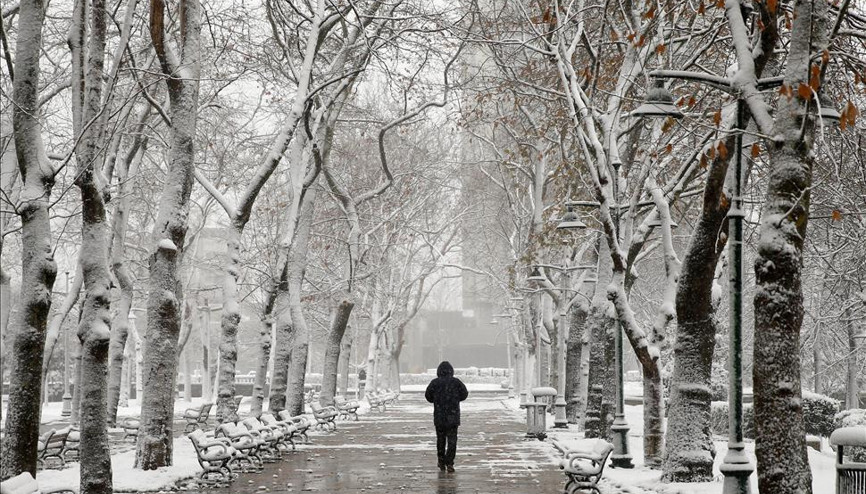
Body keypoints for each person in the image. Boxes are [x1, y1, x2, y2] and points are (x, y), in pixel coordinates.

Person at [425, 361, 469, 472]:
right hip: (453, 416)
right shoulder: (456, 382)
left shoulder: (435, 383)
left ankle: (441, 460)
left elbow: (428, 396)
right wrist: (455, 399)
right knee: (452, 440)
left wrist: (437, 400)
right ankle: (450, 462)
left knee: (440, 439)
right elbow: (464, 394)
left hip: (439, 416)